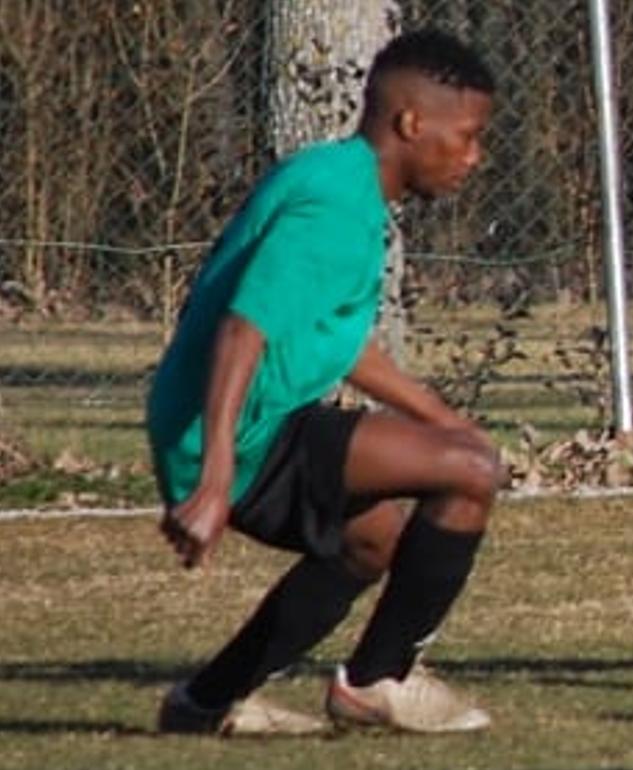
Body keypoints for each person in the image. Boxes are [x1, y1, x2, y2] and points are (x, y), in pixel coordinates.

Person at [146, 29, 502, 736]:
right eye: (465, 137)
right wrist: (215, 483)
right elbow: (242, 331)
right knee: (471, 474)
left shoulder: (340, 179)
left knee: (371, 538)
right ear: (410, 124)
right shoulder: (335, 208)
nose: (473, 157)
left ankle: (205, 702)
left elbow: (335, 342)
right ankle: (378, 680)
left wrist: (441, 418)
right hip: (239, 435)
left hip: (248, 423)